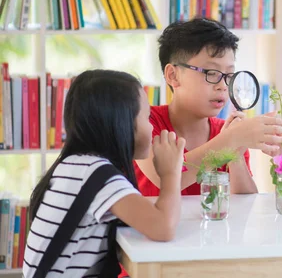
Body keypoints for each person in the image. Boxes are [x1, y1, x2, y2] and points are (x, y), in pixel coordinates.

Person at [24, 70, 185, 277]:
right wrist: (170, 172)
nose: (152, 126)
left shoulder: (74, 164)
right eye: (147, 117)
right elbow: (164, 228)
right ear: (122, 123)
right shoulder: (97, 174)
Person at [134, 18, 282, 196]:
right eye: (211, 73)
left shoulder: (225, 131)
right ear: (173, 75)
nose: (223, 86)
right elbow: (167, 179)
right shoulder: (144, 122)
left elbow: (246, 204)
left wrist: (235, 156)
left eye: (229, 75)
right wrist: (232, 140)